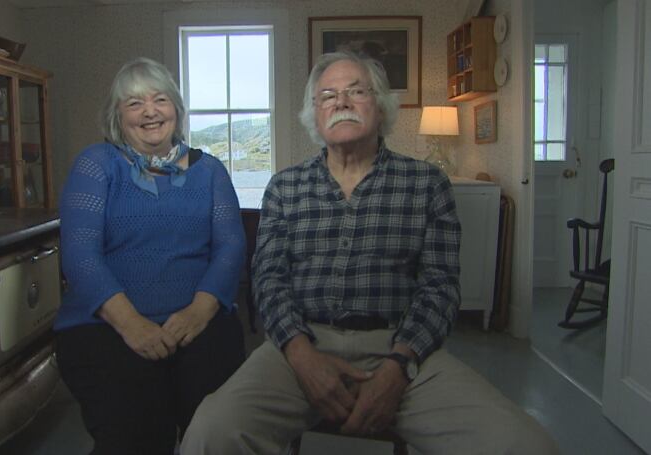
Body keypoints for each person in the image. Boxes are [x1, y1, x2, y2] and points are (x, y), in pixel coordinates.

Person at [180, 51, 558, 454]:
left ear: (380, 107)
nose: (340, 102)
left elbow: (440, 289)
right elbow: (269, 280)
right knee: (210, 432)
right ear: (315, 114)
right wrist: (302, 356)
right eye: (327, 96)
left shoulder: (426, 184)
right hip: (298, 347)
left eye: (356, 91)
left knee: (524, 443)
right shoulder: (285, 187)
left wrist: (398, 368)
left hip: (400, 347)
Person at [55, 57, 246, 455]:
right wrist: (132, 325)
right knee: (135, 432)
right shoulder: (96, 164)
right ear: (117, 116)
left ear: (175, 109)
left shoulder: (210, 171)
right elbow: (79, 253)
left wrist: (199, 311)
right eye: (134, 103)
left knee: (216, 429)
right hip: (105, 327)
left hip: (200, 321)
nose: (149, 111)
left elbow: (231, 247)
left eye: (159, 99)